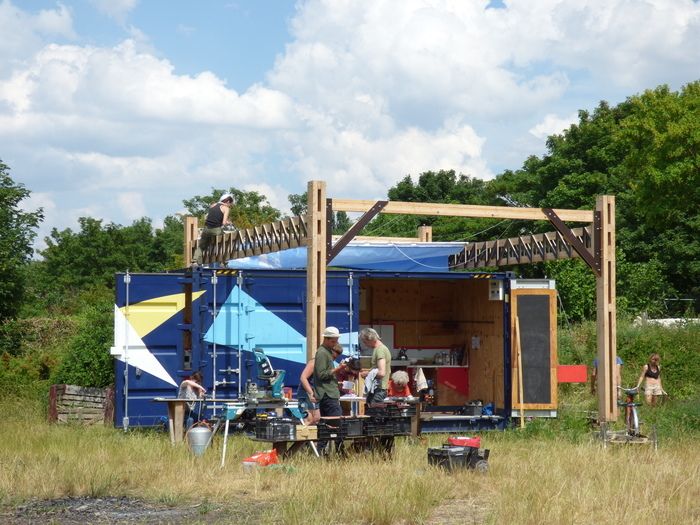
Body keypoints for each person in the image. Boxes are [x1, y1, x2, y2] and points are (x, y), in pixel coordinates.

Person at [312, 326, 347, 418]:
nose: (335, 344)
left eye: (336, 341)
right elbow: (321, 374)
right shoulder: (322, 353)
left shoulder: (326, 352)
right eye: (333, 341)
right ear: (326, 339)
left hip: (328, 393)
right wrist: (338, 369)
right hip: (328, 395)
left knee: (330, 423)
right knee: (335, 421)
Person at [193, 193, 234, 265]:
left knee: (201, 246)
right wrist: (229, 223)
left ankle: (195, 261)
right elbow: (224, 223)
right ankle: (223, 262)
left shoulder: (213, 205)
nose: (230, 205)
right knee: (227, 241)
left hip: (206, 229)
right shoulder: (226, 208)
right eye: (230, 204)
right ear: (227, 202)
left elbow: (207, 217)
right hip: (216, 229)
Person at [359, 327, 392, 409]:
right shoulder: (379, 349)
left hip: (379, 389)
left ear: (370, 339)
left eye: (365, 342)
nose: (365, 344)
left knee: (376, 415)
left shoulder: (380, 350)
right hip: (377, 389)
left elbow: (381, 372)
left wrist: (366, 374)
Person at [298, 359, 321, 425]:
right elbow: (303, 378)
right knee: (308, 420)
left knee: (317, 419)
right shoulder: (313, 363)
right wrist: (311, 393)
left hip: (317, 394)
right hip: (305, 394)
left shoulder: (327, 363)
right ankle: (302, 433)